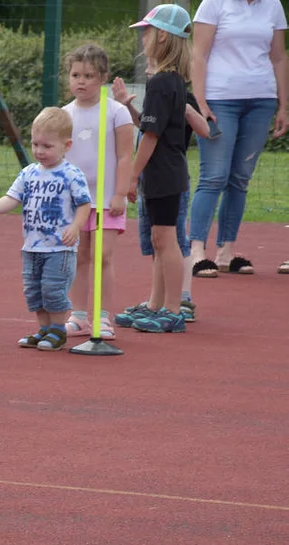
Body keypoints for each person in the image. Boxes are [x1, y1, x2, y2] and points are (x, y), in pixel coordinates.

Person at [0, 107, 92, 351]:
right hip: (32, 246)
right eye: (35, 144)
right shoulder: (29, 173)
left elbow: (85, 205)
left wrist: (76, 227)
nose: (39, 151)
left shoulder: (71, 174)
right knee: (34, 291)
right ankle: (44, 330)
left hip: (59, 248)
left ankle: (57, 331)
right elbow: (12, 198)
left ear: (66, 146)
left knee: (53, 288)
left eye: (47, 146)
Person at [187, 0, 287, 277]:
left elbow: (279, 56)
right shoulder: (213, 4)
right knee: (214, 175)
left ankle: (225, 251)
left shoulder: (273, 5)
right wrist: (200, 101)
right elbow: (198, 55)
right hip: (220, 99)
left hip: (262, 99)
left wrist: (283, 105)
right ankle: (196, 251)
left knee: (240, 177)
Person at [112, 75, 210, 326]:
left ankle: (178, 303)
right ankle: (157, 304)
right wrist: (128, 106)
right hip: (153, 175)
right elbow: (147, 126)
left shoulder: (178, 93)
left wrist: (187, 109)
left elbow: (206, 130)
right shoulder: (158, 91)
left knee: (172, 240)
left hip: (170, 176)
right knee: (158, 241)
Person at [120, 4, 192, 334]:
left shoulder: (163, 83)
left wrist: (132, 175)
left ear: (163, 36)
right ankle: (156, 304)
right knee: (159, 238)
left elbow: (150, 135)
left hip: (163, 172)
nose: (144, 37)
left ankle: (173, 309)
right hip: (164, 171)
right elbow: (152, 127)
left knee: (166, 239)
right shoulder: (169, 81)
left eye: (148, 31)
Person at [60, 44, 133, 342]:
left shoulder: (117, 112)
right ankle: (78, 316)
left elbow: (126, 155)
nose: (81, 81)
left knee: (102, 256)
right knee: (78, 257)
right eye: (76, 74)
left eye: (89, 75)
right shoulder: (63, 115)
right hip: (75, 203)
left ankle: (102, 316)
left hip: (106, 200)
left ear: (102, 77)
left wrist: (120, 194)